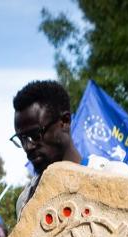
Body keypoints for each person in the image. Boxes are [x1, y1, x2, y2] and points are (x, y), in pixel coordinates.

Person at [11, 80, 82, 219]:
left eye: (35, 135)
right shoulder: (26, 200)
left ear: (65, 121)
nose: (28, 147)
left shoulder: (113, 176)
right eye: (22, 139)